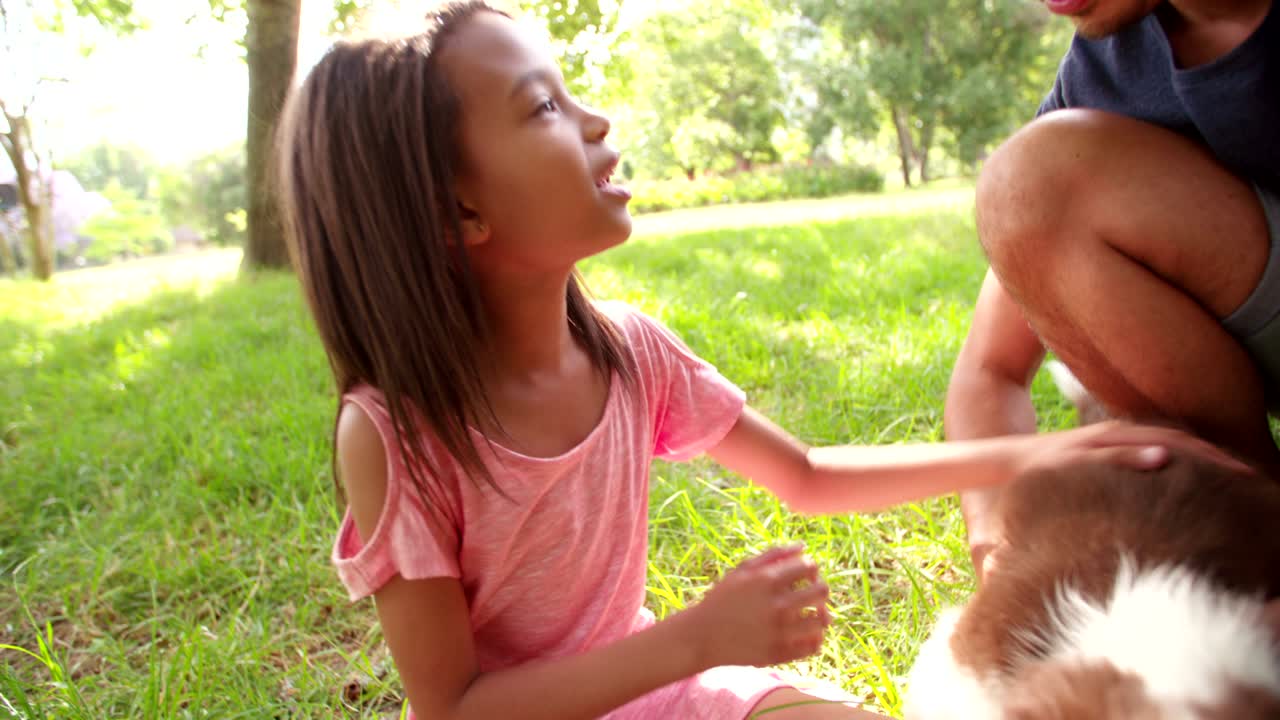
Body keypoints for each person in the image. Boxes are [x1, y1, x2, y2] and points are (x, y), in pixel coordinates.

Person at [276, 3, 1241, 718]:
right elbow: (453, 707)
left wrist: (1023, 459)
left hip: (674, 696)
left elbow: (808, 476)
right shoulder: (393, 435)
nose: (597, 121)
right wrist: (696, 636)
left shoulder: (626, 353)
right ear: (458, 214)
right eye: (543, 110)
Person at [945, 0, 1279, 578]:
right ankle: (1255, 527)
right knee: (1027, 183)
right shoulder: (1102, 77)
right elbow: (990, 370)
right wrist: (994, 540)